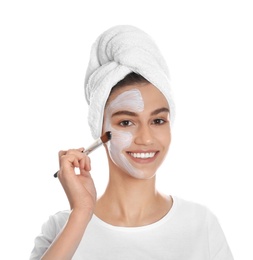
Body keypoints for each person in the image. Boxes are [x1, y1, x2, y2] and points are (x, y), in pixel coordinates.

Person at [30, 25, 234, 259]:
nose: (146, 138)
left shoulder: (201, 225)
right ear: (100, 130)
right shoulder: (61, 228)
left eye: (158, 120)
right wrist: (81, 213)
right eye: (126, 122)